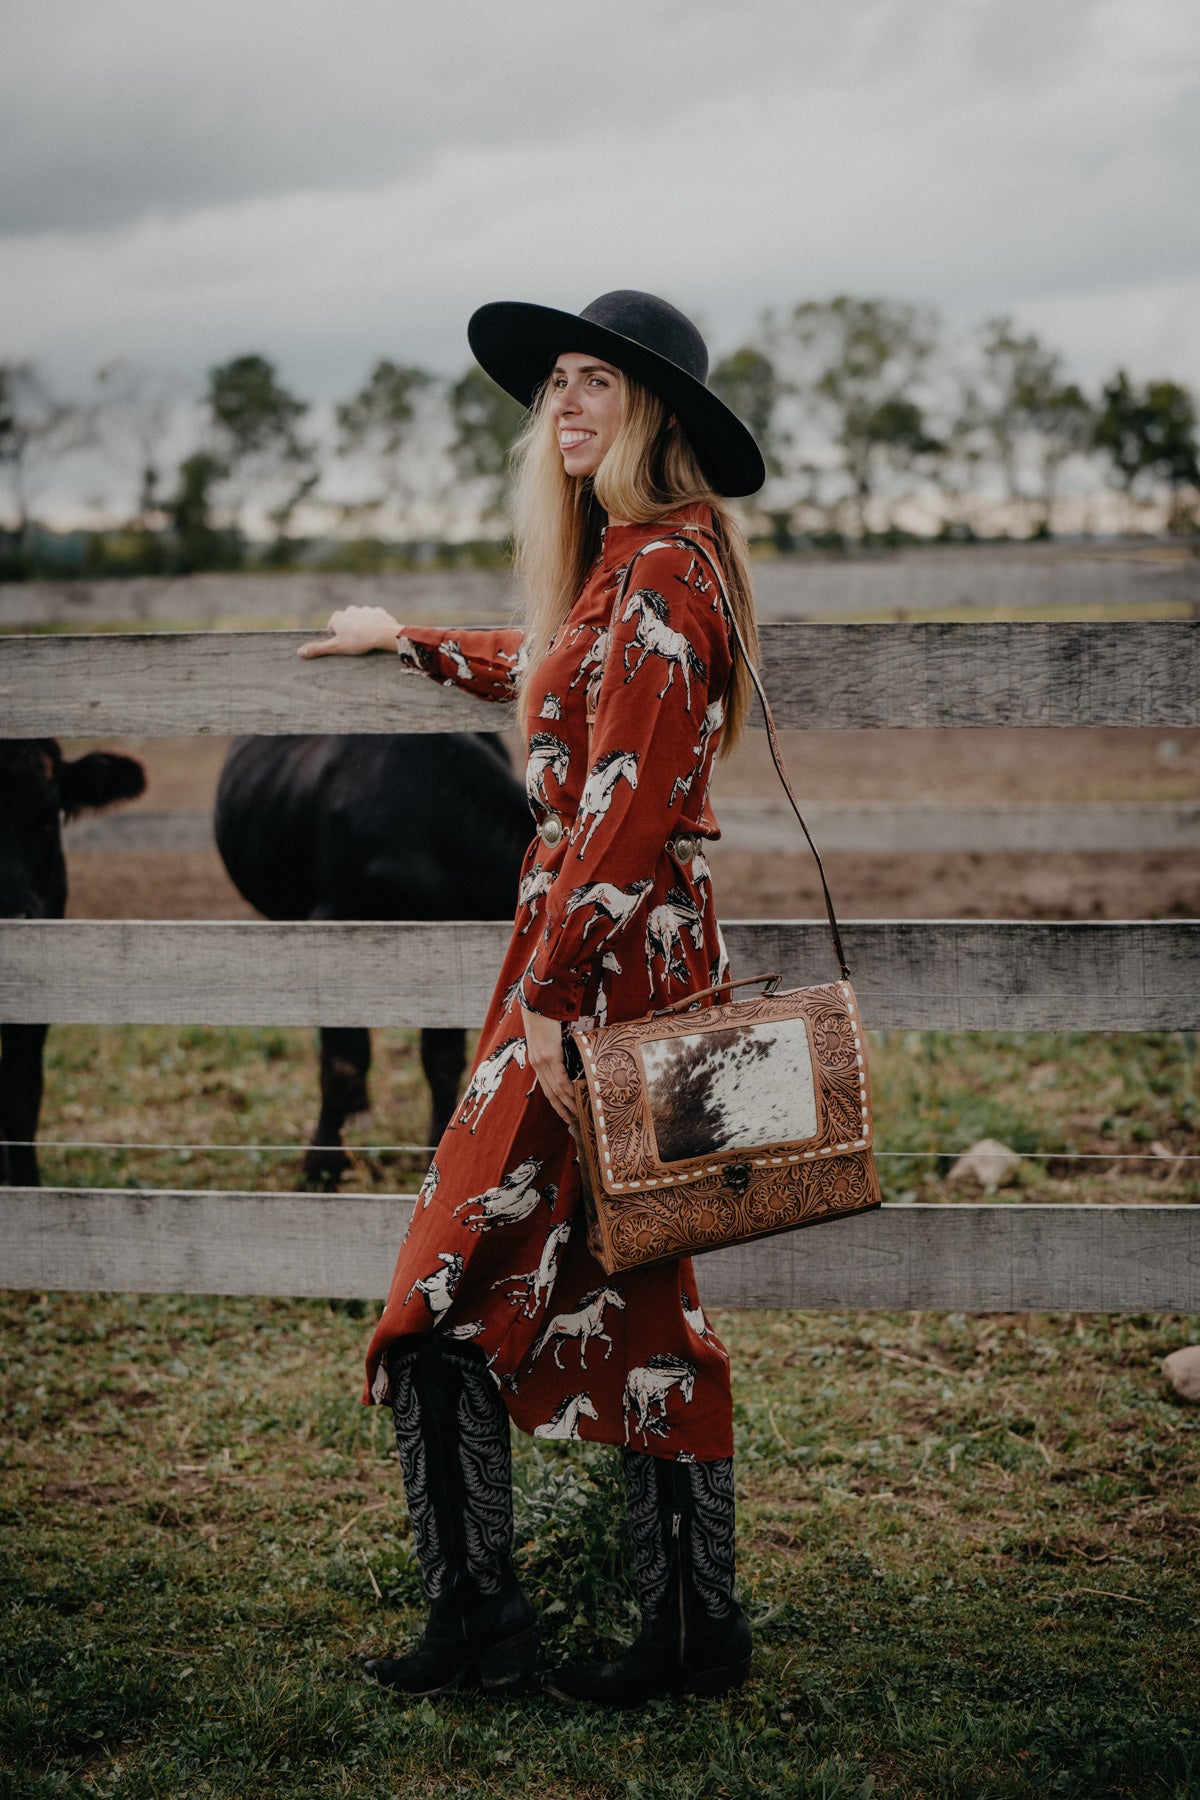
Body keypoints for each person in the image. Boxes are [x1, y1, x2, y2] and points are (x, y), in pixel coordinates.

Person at [298, 290, 766, 1707]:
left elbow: (622, 816)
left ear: (658, 414)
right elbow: (561, 681)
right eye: (555, 382)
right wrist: (413, 638)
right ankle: (683, 1634)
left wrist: (554, 1005)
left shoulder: (674, 571)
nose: (565, 405)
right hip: (603, 965)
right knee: (645, 1292)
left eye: (597, 385)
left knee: (445, 1279)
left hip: (599, 977)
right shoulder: (631, 569)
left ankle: (496, 1621)